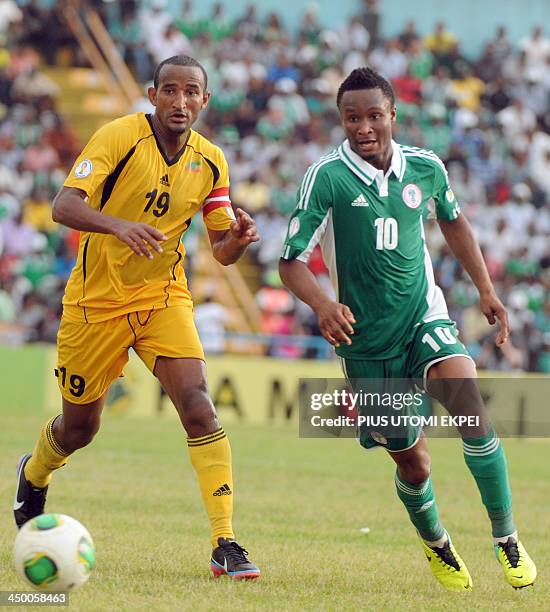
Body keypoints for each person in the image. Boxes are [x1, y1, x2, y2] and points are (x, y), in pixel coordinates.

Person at [279, 67, 536, 591]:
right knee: (414, 464)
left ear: (393, 115)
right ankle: (437, 542)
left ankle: (505, 537)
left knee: (471, 407)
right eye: (353, 118)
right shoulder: (325, 178)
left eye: (375, 115)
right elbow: (290, 262)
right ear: (341, 120)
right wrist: (323, 303)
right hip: (367, 345)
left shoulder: (425, 167)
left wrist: (486, 289)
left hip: (424, 316)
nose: (364, 127)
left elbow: (454, 220)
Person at [13, 55, 261, 580]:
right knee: (80, 428)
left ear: (205, 100)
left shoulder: (211, 160)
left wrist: (235, 241)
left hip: (162, 297)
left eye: (191, 91)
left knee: (199, 407)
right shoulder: (118, 137)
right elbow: (63, 205)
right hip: (94, 305)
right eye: (169, 90)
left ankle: (225, 543)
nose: (180, 101)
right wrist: (117, 226)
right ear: (152, 95)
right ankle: (33, 474)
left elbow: (220, 249)